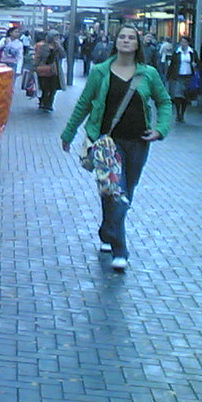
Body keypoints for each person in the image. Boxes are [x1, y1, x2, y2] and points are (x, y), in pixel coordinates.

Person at [60, 25, 171, 271]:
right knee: (114, 191)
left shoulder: (148, 74)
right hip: (107, 143)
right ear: (115, 41)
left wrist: (160, 129)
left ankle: (106, 230)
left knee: (125, 191)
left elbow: (164, 102)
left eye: (131, 37)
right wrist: (68, 133)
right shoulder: (101, 71)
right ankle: (120, 249)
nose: (126, 40)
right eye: (122, 36)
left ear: (138, 44)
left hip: (139, 142)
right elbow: (84, 104)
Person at [166, 36, 199, 122]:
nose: (183, 44)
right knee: (177, 95)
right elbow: (172, 64)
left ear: (188, 43)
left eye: (185, 42)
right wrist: (168, 75)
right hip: (178, 76)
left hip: (188, 76)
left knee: (185, 96)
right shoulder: (177, 52)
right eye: (181, 42)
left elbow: (198, 62)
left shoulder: (192, 52)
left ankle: (182, 113)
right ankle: (178, 113)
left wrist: (195, 65)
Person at [33, 31, 66, 112]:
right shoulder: (43, 46)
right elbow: (38, 57)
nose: (56, 39)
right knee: (45, 87)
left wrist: (59, 47)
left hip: (54, 70)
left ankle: (49, 104)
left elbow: (63, 55)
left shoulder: (57, 47)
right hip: (43, 69)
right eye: (55, 37)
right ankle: (43, 102)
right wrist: (34, 67)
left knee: (53, 87)